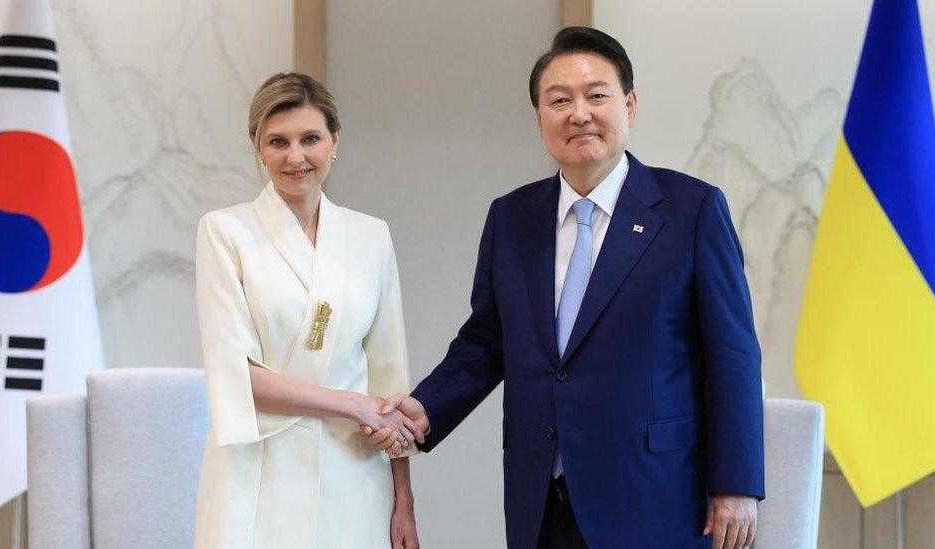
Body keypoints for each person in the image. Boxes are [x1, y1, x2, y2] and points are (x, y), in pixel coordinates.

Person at [368, 27, 764, 548]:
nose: (579, 113)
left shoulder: (691, 209)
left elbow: (733, 356)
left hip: (655, 495)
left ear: (629, 105)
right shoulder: (511, 217)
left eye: (596, 95)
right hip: (542, 498)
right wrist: (427, 408)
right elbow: (487, 341)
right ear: (539, 119)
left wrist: (736, 485)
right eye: (559, 100)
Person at [193, 72, 424, 549]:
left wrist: (403, 499)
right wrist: (352, 403)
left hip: (355, 471)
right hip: (256, 470)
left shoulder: (371, 236)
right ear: (257, 145)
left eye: (310, 139)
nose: (295, 157)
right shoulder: (224, 232)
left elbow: (389, 377)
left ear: (335, 140)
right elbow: (236, 374)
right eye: (278, 141)